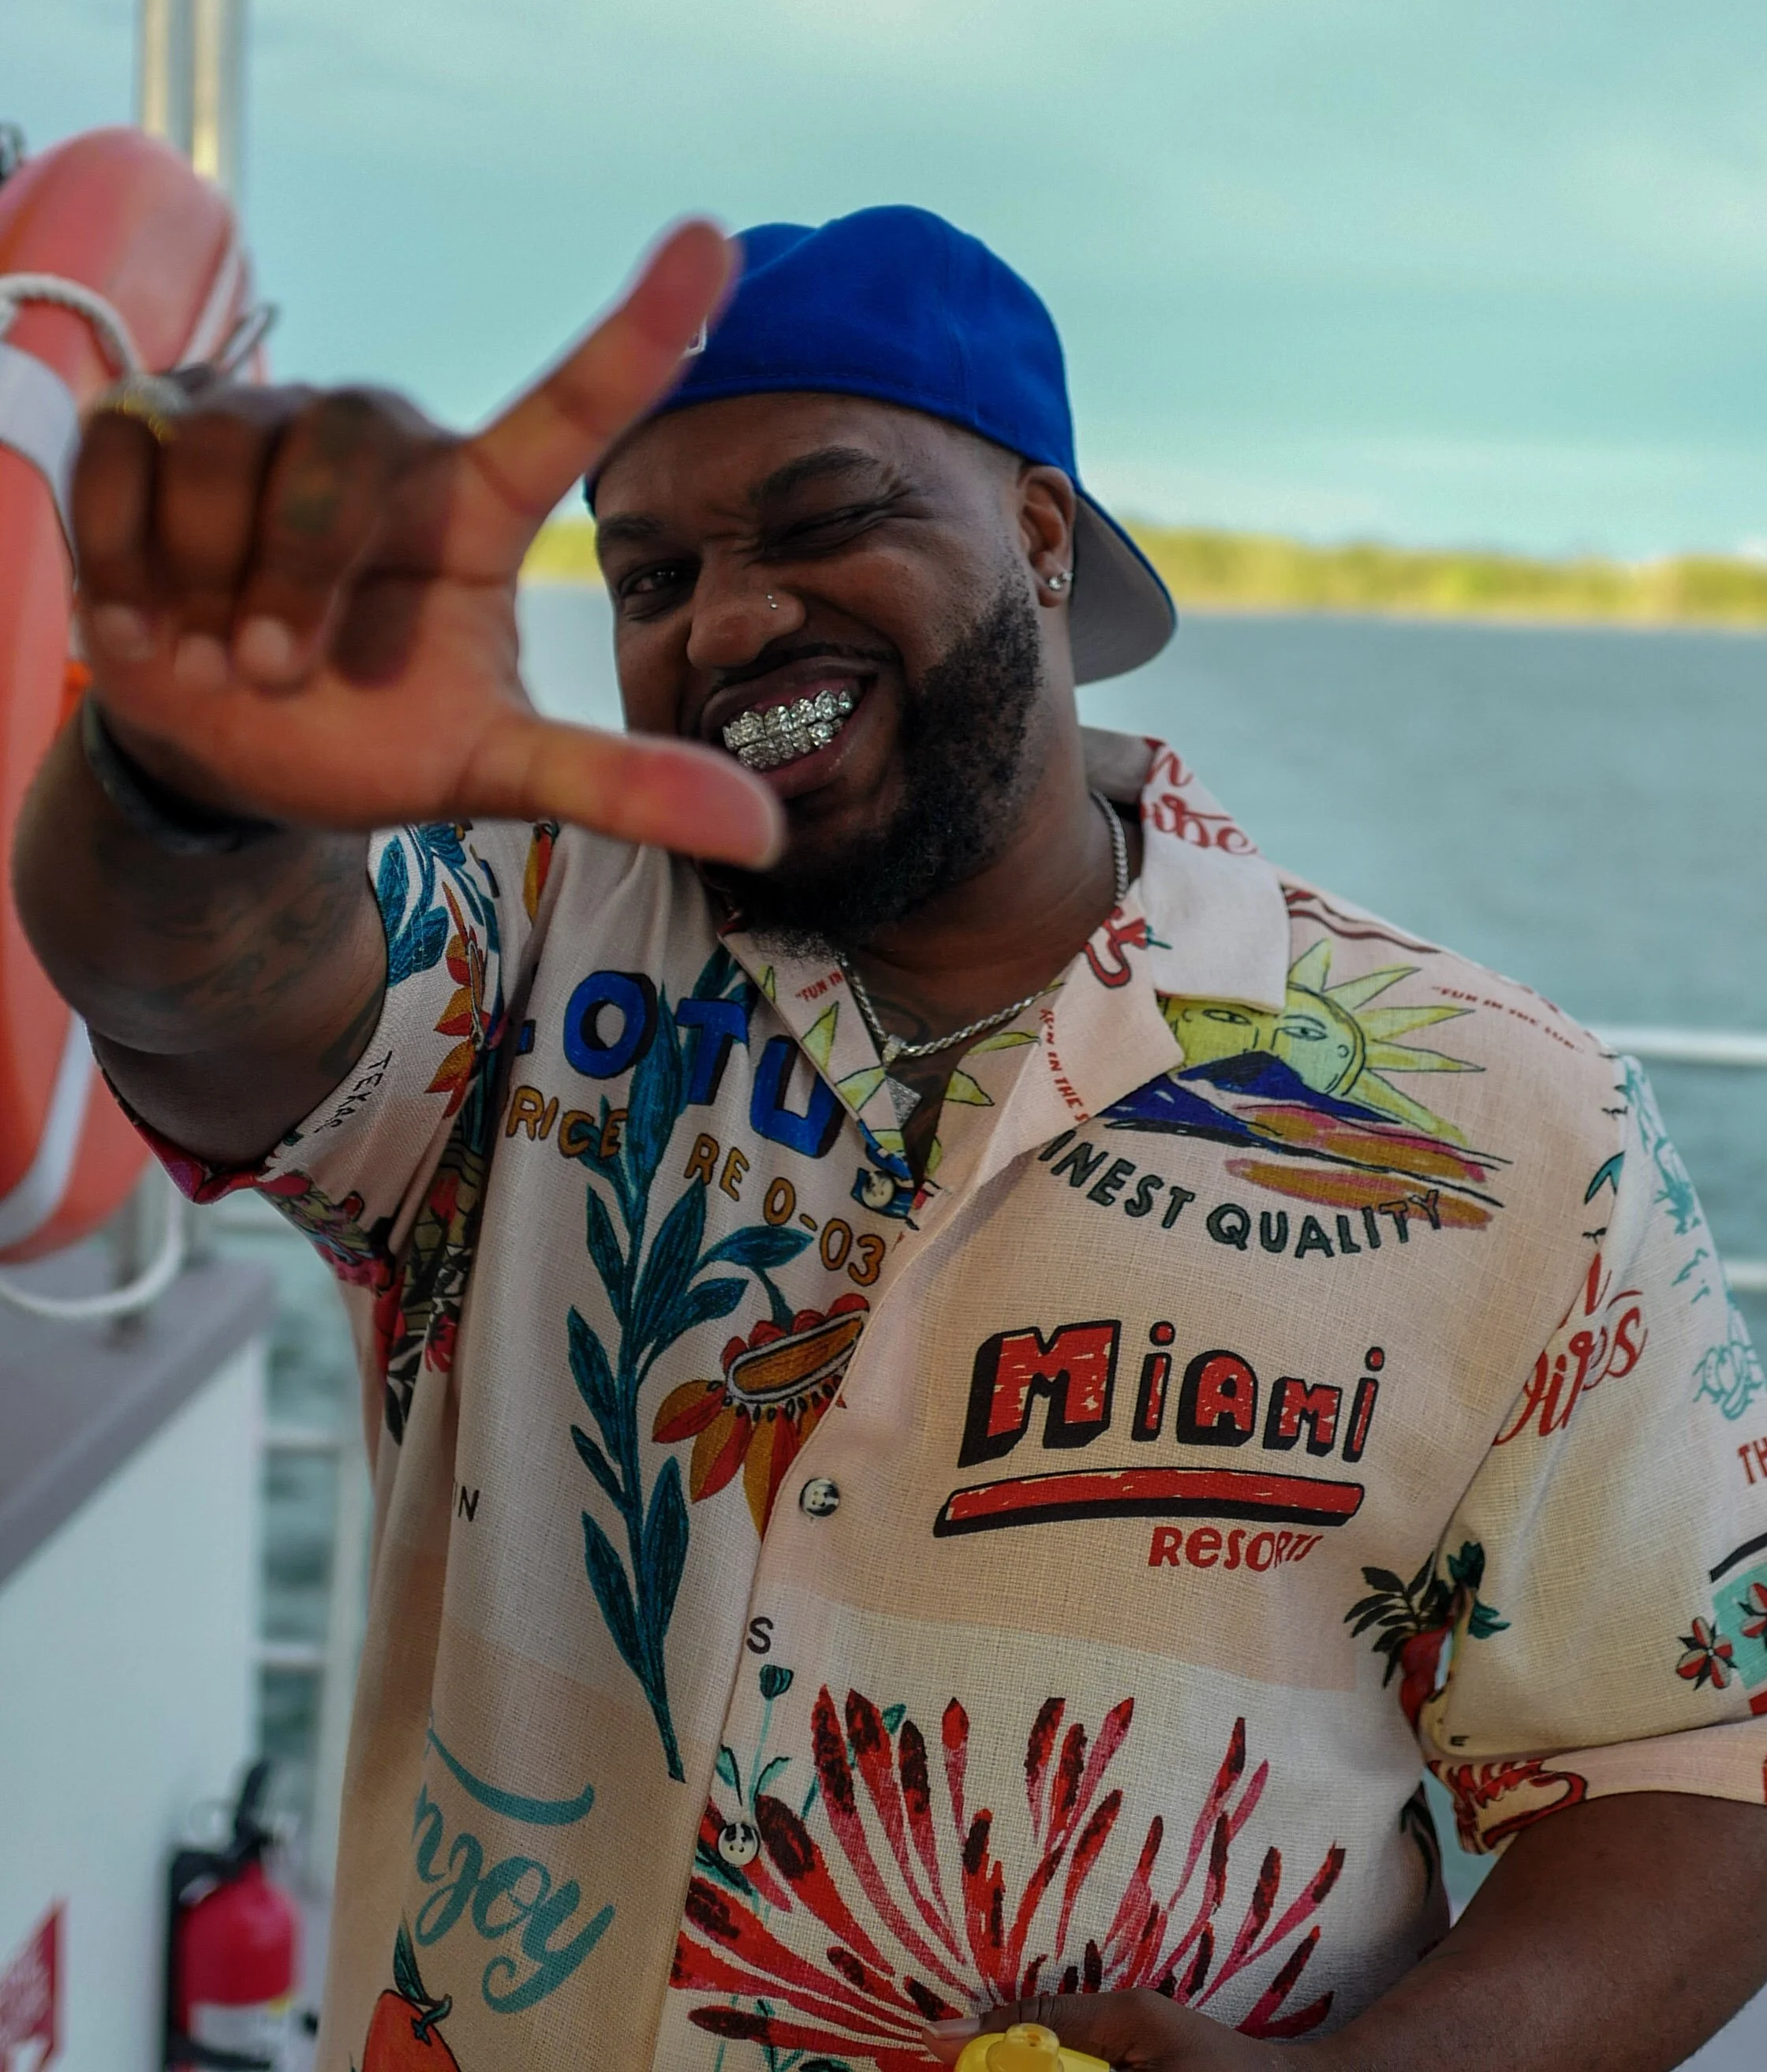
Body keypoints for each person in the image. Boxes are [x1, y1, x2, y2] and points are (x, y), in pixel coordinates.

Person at [16, 205, 1767, 2072]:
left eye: (825, 520)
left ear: (1035, 535)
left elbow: (1688, 1764)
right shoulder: (514, 953)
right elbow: (199, 992)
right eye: (647, 573)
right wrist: (187, 784)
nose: (731, 617)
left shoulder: (1498, 1111)